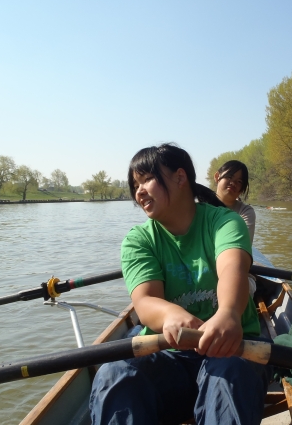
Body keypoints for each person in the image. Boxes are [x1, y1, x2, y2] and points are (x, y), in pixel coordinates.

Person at [89, 144, 271, 425]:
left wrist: (227, 314)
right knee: (114, 373)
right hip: (168, 359)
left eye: (147, 179)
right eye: (135, 184)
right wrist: (171, 315)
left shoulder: (226, 222)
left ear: (180, 177)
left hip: (233, 351)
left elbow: (232, 269)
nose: (139, 191)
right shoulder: (138, 240)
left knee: (228, 372)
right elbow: (146, 302)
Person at [214, 160, 256, 244]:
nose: (233, 183)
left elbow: (241, 244)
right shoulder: (200, 205)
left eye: (239, 182)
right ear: (217, 176)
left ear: (242, 190)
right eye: (229, 177)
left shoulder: (245, 212)